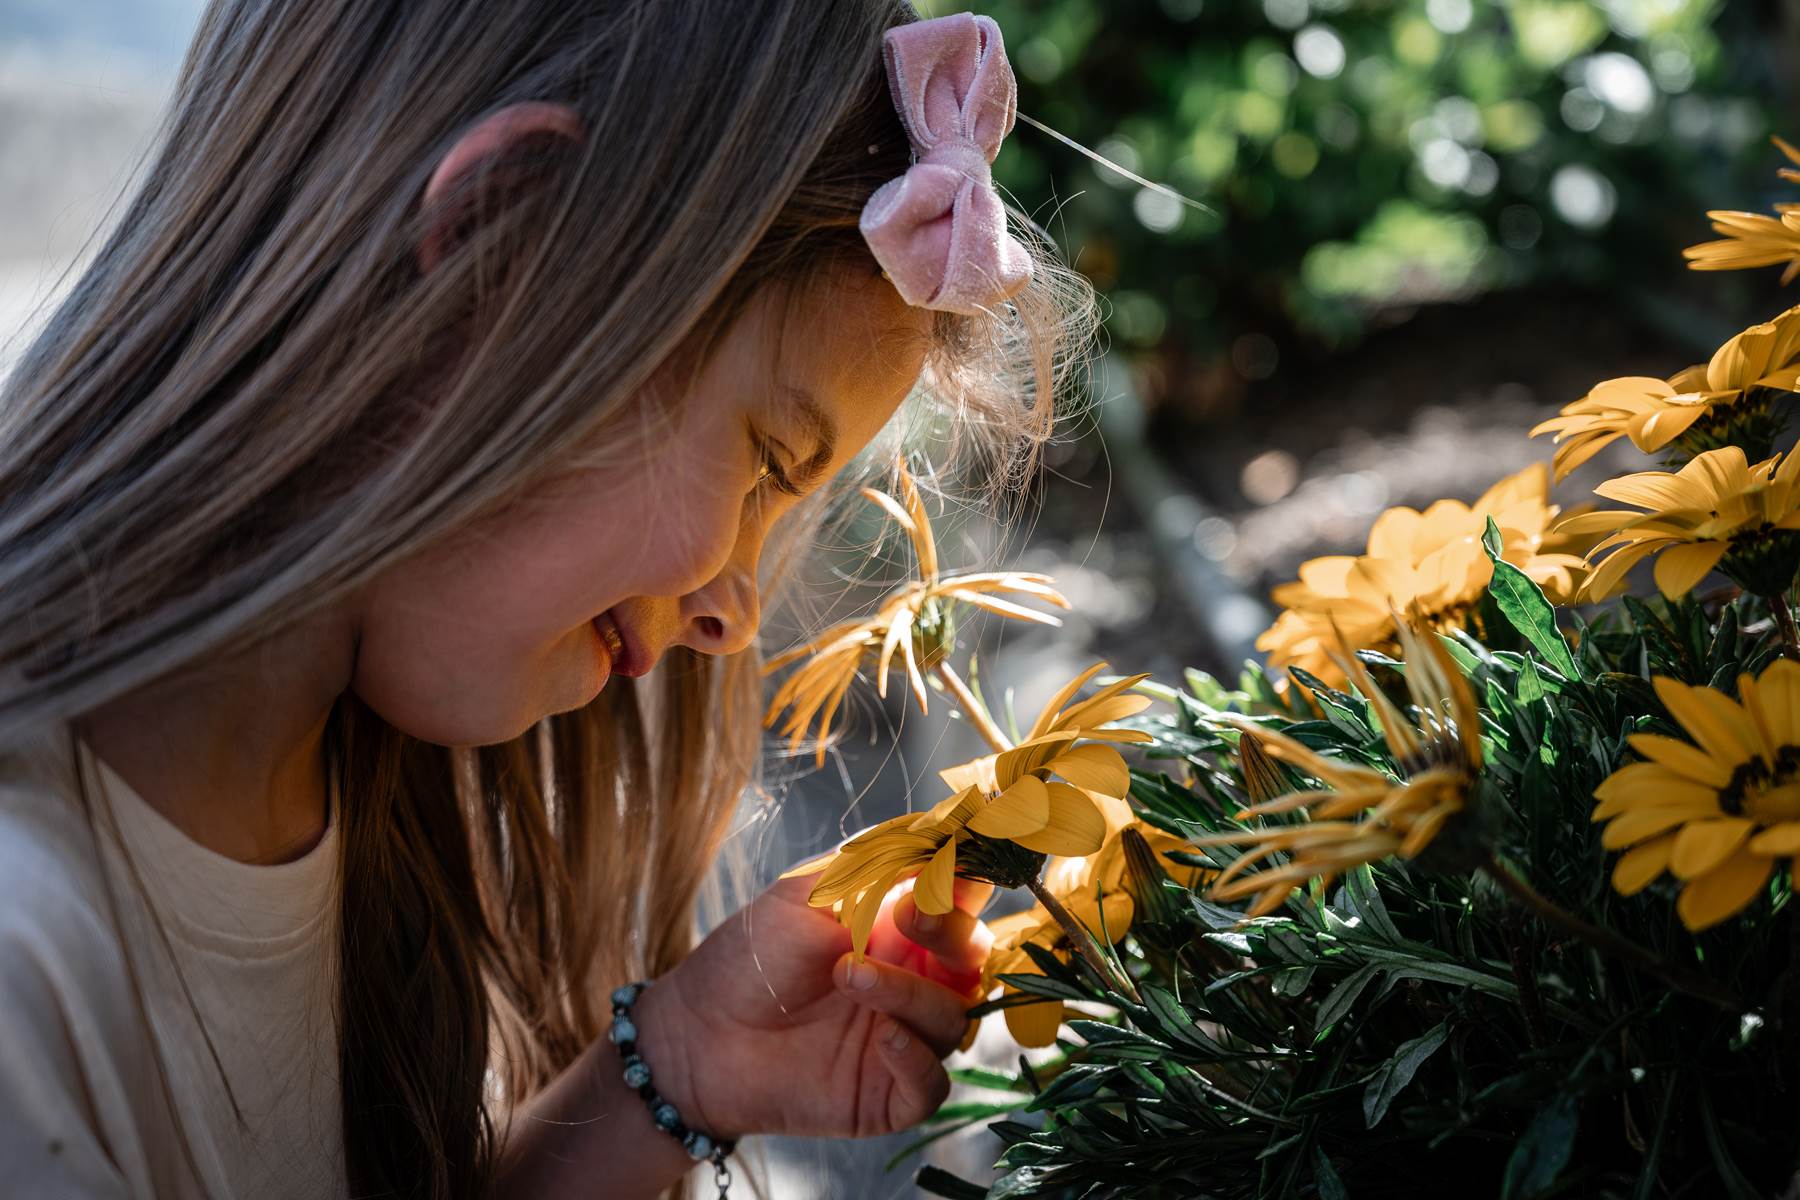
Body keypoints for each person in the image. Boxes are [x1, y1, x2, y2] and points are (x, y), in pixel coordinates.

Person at [0, 2, 1097, 1198]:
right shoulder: (23, 966)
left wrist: (667, 1074)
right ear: (496, 256)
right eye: (770, 464)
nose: (731, 615)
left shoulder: (354, 818)